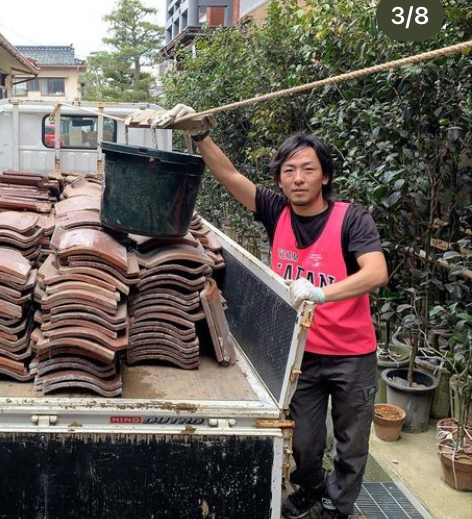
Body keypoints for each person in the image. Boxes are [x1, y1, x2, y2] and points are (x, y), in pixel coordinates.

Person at [130, 105, 389, 519]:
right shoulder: (276, 211)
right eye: (289, 170)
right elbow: (230, 176)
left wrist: (321, 295)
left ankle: (338, 507)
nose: (298, 178)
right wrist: (199, 135)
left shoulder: (350, 219)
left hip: (350, 353)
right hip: (299, 351)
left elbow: (376, 272)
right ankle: (308, 489)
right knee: (304, 437)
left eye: (307, 169)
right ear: (280, 178)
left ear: (325, 176)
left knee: (352, 439)